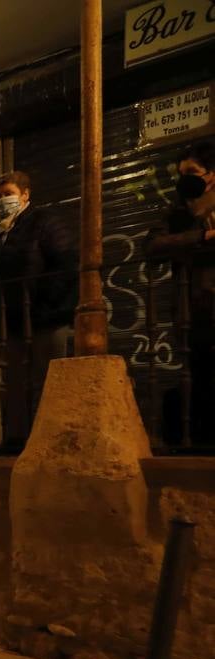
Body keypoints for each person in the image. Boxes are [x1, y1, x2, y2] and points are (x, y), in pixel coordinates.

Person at [0, 170, 77, 450]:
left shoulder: (45, 222)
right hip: (13, 322)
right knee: (15, 383)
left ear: (25, 194)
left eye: (8, 194)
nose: (2, 200)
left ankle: (51, 440)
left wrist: (43, 303)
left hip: (46, 318)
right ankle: (17, 438)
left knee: (48, 381)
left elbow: (65, 264)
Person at [146, 142, 215, 446]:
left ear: (212, 174)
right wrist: (203, 236)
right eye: (181, 173)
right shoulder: (178, 211)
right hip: (195, 309)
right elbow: (154, 245)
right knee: (200, 379)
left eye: (193, 173)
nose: (185, 179)